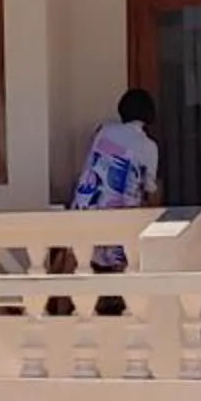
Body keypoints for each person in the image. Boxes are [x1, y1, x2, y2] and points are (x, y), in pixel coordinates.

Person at [70, 89, 162, 271]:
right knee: (123, 261)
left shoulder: (103, 131)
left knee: (79, 257)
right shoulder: (148, 146)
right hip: (119, 216)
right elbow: (150, 188)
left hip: (85, 208)